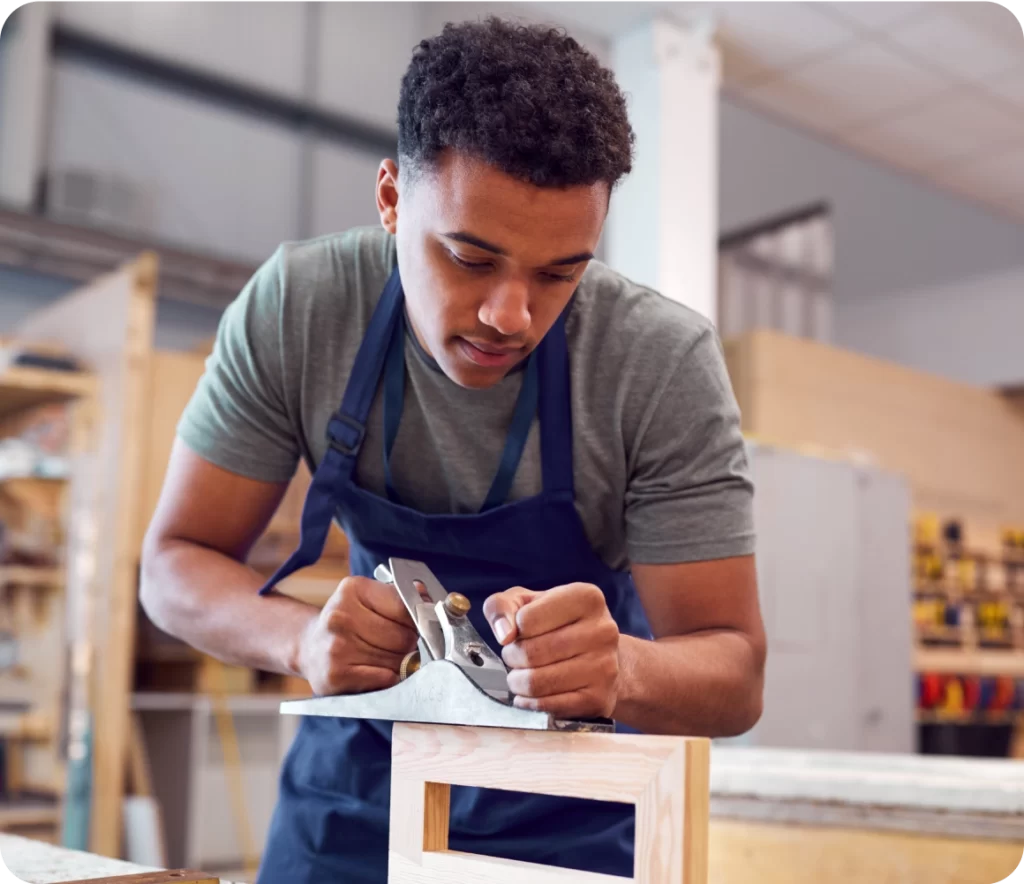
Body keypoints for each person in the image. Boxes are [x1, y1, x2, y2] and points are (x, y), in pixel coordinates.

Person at [139, 16, 766, 883]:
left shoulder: (659, 364)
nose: (511, 315)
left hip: (576, 816)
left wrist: (622, 664)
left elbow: (734, 672)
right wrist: (299, 640)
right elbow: (173, 564)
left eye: (559, 274)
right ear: (393, 199)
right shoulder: (301, 308)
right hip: (354, 800)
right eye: (470, 257)